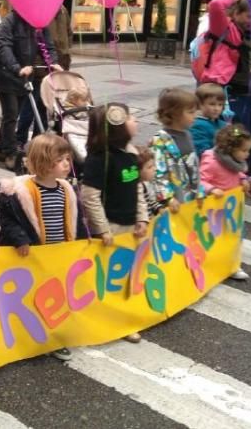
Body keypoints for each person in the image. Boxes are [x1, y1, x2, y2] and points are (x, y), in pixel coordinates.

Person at [0, 133, 77, 361]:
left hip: (58, 256)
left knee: (55, 297)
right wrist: (21, 239)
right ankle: (30, 336)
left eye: (68, 159)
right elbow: (8, 219)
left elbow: (74, 218)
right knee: (32, 298)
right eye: (61, 159)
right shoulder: (19, 192)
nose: (67, 164)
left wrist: (82, 239)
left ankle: (52, 337)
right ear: (44, 163)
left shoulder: (66, 190)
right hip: (32, 256)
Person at [80, 103, 147, 343]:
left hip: (131, 228)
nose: (135, 121)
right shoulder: (99, 159)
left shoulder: (131, 153)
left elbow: (137, 187)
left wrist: (141, 216)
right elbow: (90, 197)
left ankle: (124, 318)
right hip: (112, 228)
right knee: (108, 278)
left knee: (127, 275)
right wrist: (103, 229)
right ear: (116, 125)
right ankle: (109, 321)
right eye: (130, 117)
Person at [202, 0, 251, 199]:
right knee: (235, 140)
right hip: (234, 94)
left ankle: (241, 174)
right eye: (249, 15)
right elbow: (215, 5)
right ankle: (242, 177)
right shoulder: (224, 28)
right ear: (236, 13)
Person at [0, 9, 58, 168]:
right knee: (12, 114)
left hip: (25, 77)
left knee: (12, 115)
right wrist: (16, 67)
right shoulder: (10, 20)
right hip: (7, 76)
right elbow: (3, 45)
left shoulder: (39, 22)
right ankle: (10, 152)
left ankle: (1, 147)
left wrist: (52, 62)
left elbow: (49, 46)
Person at [199, 124, 251, 281]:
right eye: (244, 150)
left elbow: (239, 173)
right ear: (230, 149)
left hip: (232, 209)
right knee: (214, 238)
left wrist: (243, 179)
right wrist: (211, 189)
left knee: (235, 236)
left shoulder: (235, 162)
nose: (247, 154)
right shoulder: (212, 160)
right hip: (214, 210)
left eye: (248, 150)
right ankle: (210, 265)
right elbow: (200, 180)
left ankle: (232, 265)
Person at [151, 88, 203, 212]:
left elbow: (194, 166)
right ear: (174, 114)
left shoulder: (187, 135)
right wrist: (168, 197)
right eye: (190, 112)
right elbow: (158, 172)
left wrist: (199, 191)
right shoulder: (160, 140)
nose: (195, 116)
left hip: (191, 197)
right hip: (175, 200)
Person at [190, 83, 229, 158]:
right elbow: (202, 152)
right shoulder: (197, 125)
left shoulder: (221, 124)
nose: (216, 108)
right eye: (212, 104)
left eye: (220, 104)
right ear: (200, 105)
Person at [136, 146, 163, 218]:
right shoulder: (135, 189)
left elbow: (151, 202)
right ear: (138, 171)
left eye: (154, 165)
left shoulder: (144, 184)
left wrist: (159, 208)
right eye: (150, 167)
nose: (155, 169)